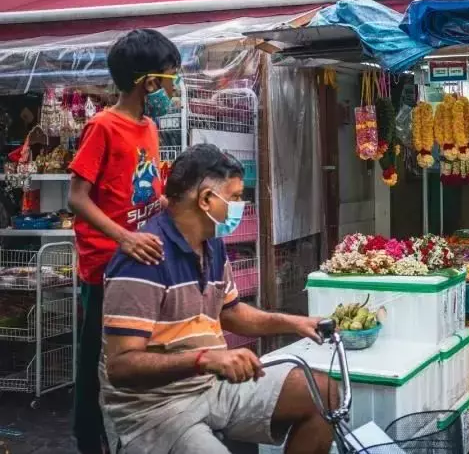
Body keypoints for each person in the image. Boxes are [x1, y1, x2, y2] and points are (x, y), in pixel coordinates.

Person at [100, 144, 337, 454]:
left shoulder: (212, 245)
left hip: (211, 386)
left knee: (325, 395)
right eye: (236, 197)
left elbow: (231, 312)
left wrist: (295, 323)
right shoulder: (144, 258)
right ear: (206, 199)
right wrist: (205, 359)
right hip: (156, 408)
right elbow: (121, 367)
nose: (241, 205)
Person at [68, 29, 181, 453]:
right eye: (170, 77)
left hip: (138, 258)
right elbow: (76, 196)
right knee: (96, 357)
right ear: (149, 82)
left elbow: (143, 190)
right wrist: (123, 237)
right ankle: (88, 438)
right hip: (105, 263)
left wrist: (172, 203)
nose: (173, 86)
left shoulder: (149, 126)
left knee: (131, 353)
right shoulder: (103, 126)